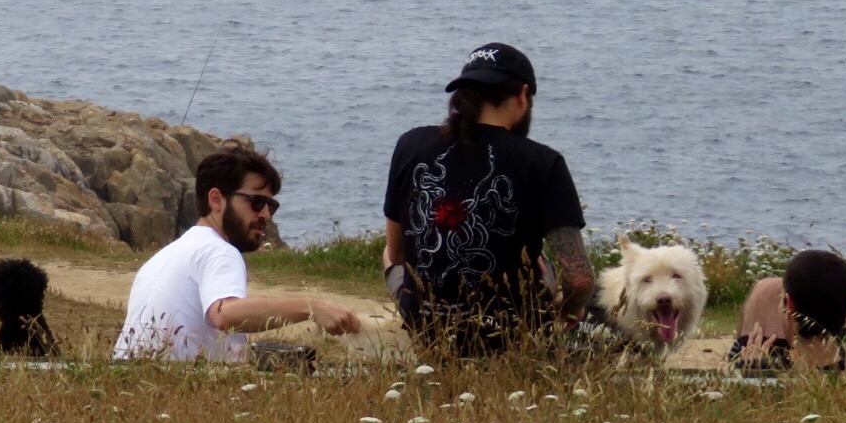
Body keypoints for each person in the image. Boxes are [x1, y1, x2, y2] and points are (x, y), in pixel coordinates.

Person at [382, 42, 593, 354]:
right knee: (541, 261)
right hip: (510, 337)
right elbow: (580, 280)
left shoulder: (410, 144)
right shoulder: (543, 162)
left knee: (387, 256)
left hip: (427, 329)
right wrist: (564, 314)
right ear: (523, 95)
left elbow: (397, 253)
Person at [114, 144, 361, 362]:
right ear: (216, 200)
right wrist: (310, 307)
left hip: (132, 375)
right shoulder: (219, 251)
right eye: (256, 202)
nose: (265, 215)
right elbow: (224, 314)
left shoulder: (164, 257)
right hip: (174, 384)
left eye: (271, 205)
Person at [731, 249, 846, 371]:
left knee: (765, 287)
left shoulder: (758, 371)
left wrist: (752, 372)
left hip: (772, 369)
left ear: (789, 306)